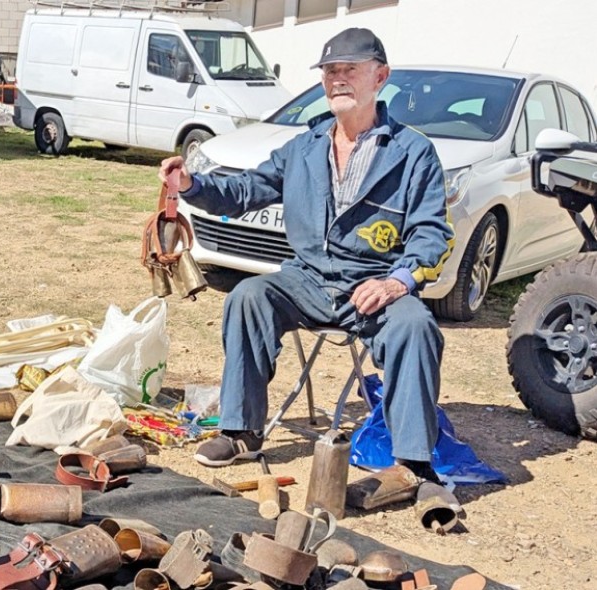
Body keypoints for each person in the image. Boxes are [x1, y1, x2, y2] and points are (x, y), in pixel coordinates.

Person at [158, 27, 455, 484]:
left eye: (349, 70)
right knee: (248, 296)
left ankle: (412, 464)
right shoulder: (304, 147)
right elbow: (244, 190)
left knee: (416, 326)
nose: (337, 80)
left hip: (375, 283)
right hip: (309, 280)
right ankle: (241, 432)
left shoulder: (414, 154)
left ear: (380, 77)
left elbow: (432, 234)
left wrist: (399, 282)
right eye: (330, 71)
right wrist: (192, 186)